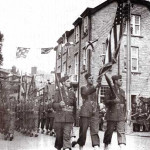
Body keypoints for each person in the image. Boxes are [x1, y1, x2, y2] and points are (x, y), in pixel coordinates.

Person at [72, 73, 101, 150]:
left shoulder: (95, 89)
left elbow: (95, 100)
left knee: (95, 129)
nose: (91, 80)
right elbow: (85, 93)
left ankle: (96, 145)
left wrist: (97, 108)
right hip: (85, 112)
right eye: (89, 78)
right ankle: (81, 144)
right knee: (83, 130)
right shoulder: (83, 88)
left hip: (94, 111)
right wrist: (95, 87)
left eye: (92, 78)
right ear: (86, 79)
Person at [52, 75, 76, 150]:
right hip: (60, 118)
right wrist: (59, 104)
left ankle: (67, 148)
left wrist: (74, 119)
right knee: (59, 137)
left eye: (69, 81)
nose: (70, 82)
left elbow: (74, 107)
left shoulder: (72, 93)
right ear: (63, 83)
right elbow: (53, 105)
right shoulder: (58, 92)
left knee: (67, 136)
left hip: (69, 118)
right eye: (68, 81)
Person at [103, 75, 126, 150]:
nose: (121, 81)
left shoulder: (122, 91)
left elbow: (124, 103)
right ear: (115, 81)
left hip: (120, 113)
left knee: (121, 131)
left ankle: (122, 145)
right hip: (112, 113)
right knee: (109, 131)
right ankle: (106, 145)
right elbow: (105, 102)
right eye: (120, 80)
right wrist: (113, 101)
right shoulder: (109, 90)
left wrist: (125, 114)